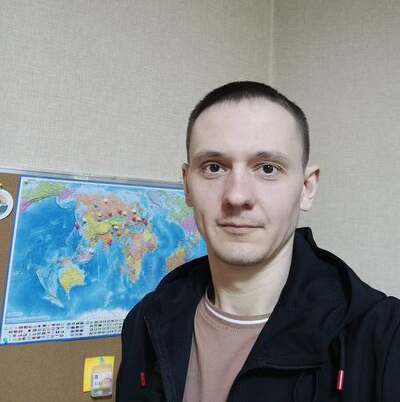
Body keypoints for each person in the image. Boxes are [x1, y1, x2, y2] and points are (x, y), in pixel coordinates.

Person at [116, 81, 400, 401]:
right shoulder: (145, 321)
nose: (237, 196)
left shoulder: (384, 338)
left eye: (267, 168)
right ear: (187, 185)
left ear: (307, 188)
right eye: (214, 167)